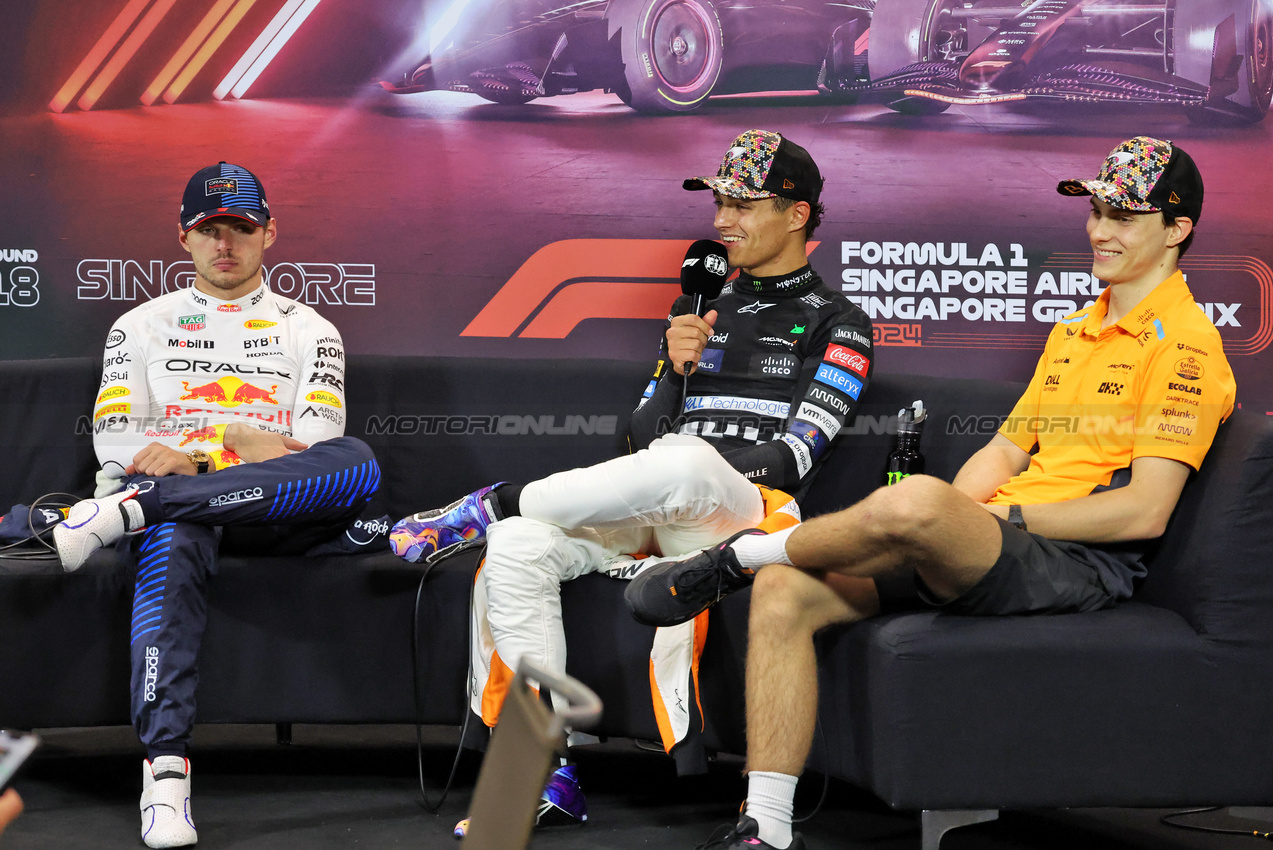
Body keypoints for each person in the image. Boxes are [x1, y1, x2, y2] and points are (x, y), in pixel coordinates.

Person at [625, 136, 1237, 850]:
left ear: (1176, 230)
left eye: (1122, 217)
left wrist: (981, 516)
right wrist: (951, 521)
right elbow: (1005, 449)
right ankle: (765, 827)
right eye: (1097, 210)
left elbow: (1145, 510)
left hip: (1077, 561)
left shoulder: (1187, 348)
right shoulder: (1078, 328)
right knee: (789, 590)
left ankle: (735, 559)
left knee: (918, 500)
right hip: (996, 543)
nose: (1098, 229)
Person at [391, 130, 875, 829]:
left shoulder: (841, 324)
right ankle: (540, 770)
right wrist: (674, 370)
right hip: (657, 505)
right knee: (520, 545)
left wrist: (690, 469)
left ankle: (490, 503)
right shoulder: (693, 313)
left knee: (683, 461)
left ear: (796, 215)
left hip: (743, 517)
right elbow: (639, 442)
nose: (719, 219)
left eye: (741, 202)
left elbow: (794, 459)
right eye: (717, 200)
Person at [53, 163, 384, 849]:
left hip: (276, 516)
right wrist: (245, 443)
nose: (225, 245)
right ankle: (165, 779)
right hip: (184, 517)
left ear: (269, 234)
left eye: (241, 228)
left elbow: (313, 451)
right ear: (183, 236)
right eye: (210, 231)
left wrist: (202, 452)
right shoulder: (139, 327)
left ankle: (131, 513)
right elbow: (117, 449)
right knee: (177, 525)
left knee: (357, 460)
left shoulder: (311, 329)